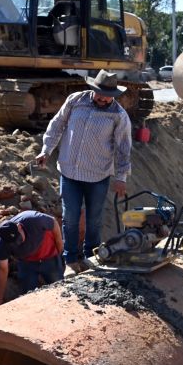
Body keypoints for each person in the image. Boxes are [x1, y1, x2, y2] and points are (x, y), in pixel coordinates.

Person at [35, 70, 132, 276]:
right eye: (100, 93)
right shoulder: (75, 100)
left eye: (108, 95)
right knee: (70, 217)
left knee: (93, 218)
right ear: (92, 89)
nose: (103, 98)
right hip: (69, 172)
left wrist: (121, 178)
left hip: (97, 176)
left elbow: (123, 148)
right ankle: (70, 260)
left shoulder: (118, 115)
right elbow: (57, 124)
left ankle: (91, 256)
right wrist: (46, 150)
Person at [0, 210, 64, 307]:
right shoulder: (2, 244)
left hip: (49, 256)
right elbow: (2, 269)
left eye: (19, 239)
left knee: (60, 290)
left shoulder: (34, 220)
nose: (19, 243)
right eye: (15, 243)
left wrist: (60, 249)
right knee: (28, 297)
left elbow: (54, 223)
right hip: (27, 264)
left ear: (19, 227)